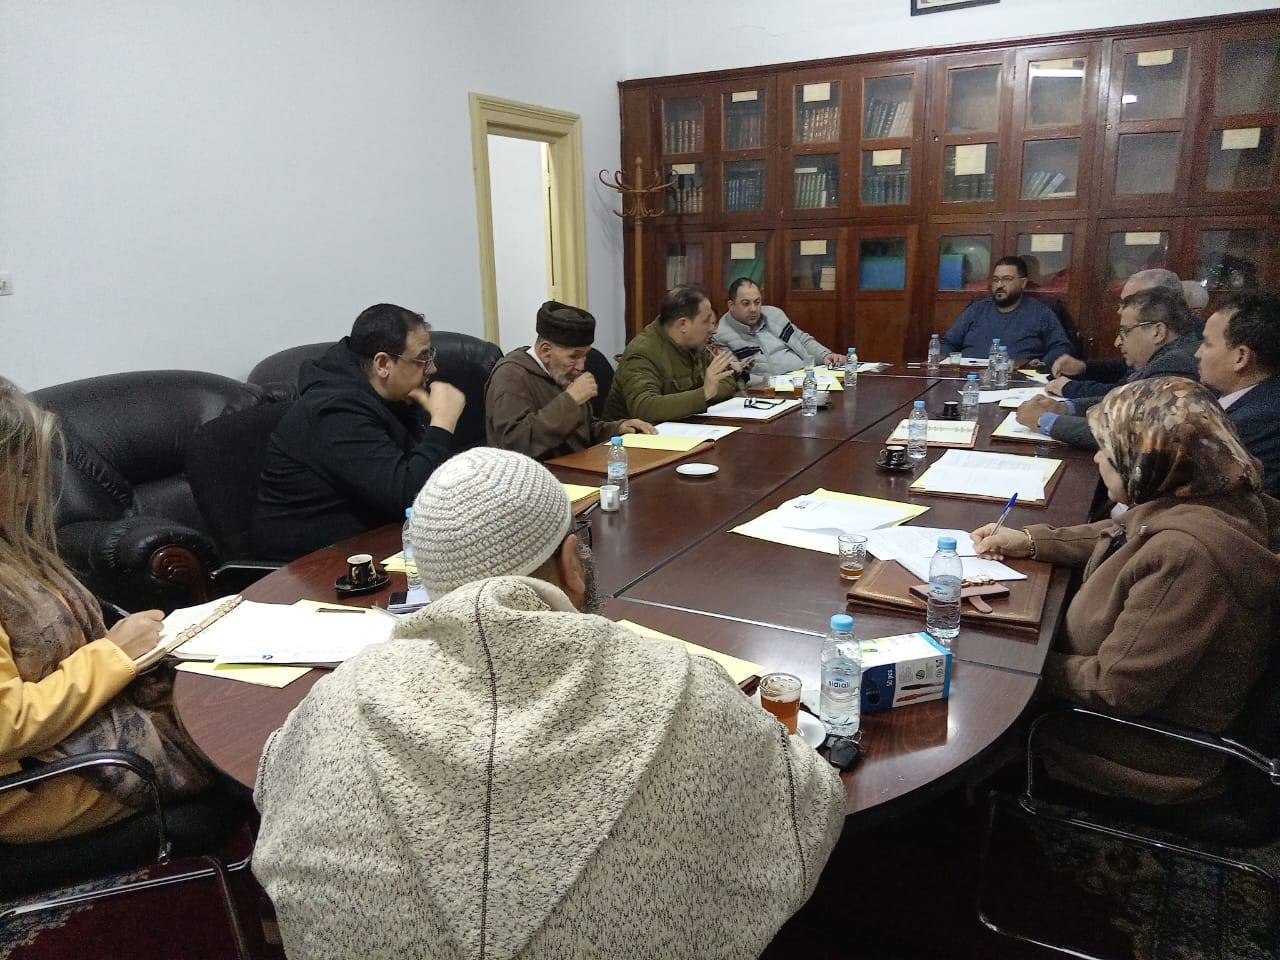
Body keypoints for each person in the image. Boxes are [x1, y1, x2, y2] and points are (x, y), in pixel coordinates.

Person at [252, 448, 845, 960]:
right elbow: (810, 805)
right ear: (571, 563)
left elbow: (275, 781)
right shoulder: (682, 684)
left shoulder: (336, 702)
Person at [974, 377, 1280, 805]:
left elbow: (1115, 689)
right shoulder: (1213, 496)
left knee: (965, 711)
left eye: (1108, 449)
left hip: (1141, 752)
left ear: (1148, 460)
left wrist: (1013, 664)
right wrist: (1029, 541)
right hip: (1131, 717)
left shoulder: (1186, 558)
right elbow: (1124, 533)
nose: (1097, 457)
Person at [0, 379, 212, 842]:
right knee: (247, 730)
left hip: (80, 737)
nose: (36, 486)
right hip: (46, 783)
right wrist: (113, 655)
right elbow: (7, 726)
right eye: (24, 470)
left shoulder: (11, 547)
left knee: (239, 690)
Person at [251, 304, 467, 561]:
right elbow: (410, 498)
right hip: (309, 565)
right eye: (422, 359)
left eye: (430, 355)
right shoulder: (334, 411)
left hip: (370, 543)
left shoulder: (393, 396)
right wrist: (442, 422)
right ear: (383, 364)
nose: (432, 369)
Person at [1016, 287, 1201, 449]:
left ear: (1157, 332)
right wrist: (1063, 408)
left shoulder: (1175, 365)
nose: (1117, 342)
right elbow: (1121, 401)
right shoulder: (1168, 357)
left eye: (1124, 331)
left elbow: (1123, 432)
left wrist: (1044, 420)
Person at [485, 301, 655, 460]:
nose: (581, 366)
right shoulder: (510, 377)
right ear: (545, 351)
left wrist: (618, 429)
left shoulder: (561, 372)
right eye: (573, 357)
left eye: (585, 356)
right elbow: (512, 445)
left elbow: (582, 433)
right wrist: (570, 401)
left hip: (577, 467)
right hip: (538, 476)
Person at [602, 284, 739, 423]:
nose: (712, 329)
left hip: (686, 426)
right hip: (635, 434)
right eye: (706, 322)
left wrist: (708, 391)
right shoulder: (642, 352)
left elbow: (726, 380)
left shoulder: (695, 344)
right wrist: (703, 394)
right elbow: (644, 407)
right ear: (683, 324)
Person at [1196, 291, 1280, 495]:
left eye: (1207, 343)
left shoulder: (1252, 425)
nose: (1197, 353)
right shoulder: (1246, 402)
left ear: (1241, 357)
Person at [1047, 268, 1184, 390]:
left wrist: (1070, 390)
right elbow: (1126, 368)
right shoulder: (1166, 346)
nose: (1119, 310)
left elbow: (1123, 396)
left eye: (1130, 302)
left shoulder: (1175, 361)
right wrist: (1083, 367)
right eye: (1122, 302)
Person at [940, 256, 1073, 366]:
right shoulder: (977, 309)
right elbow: (948, 343)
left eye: (1007, 279)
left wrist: (1042, 365)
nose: (999, 285)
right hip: (969, 378)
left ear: (1023, 283)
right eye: (995, 280)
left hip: (1018, 380)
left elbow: (1061, 347)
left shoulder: (1040, 312)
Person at [713, 278, 843, 380]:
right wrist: (770, 384)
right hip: (771, 390)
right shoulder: (721, 336)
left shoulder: (775, 314)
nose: (753, 309)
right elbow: (735, 376)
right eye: (746, 304)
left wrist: (825, 355)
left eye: (757, 302)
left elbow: (802, 340)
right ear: (731, 305)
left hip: (808, 377)